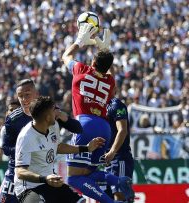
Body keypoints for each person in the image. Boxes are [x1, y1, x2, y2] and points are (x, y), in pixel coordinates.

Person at [62, 24, 134, 202]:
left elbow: (65, 56)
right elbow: (111, 76)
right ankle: (118, 180)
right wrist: (106, 51)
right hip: (104, 128)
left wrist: (80, 41)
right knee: (90, 173)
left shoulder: (80, 70)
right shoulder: (110, 81)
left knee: (72, 177)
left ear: (93, 63)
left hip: (84, 125)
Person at [0, 79, 83, 203]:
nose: (24, 99)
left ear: (36, 93)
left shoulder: (50, 111)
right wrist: (31, 150)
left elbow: (78, 129)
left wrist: (63, 116)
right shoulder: (13, 119)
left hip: (45, 172)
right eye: (20, 96)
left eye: (27, 94)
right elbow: (6, 147)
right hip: (18, 173)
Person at [14, 96, 106, 203]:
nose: (57, 112)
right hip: (29, 188)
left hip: (50, 182)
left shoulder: (53, 125)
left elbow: (58, 147)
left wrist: (87, 148)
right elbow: (20, 172)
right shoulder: (26, 137)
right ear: (48, 117)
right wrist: (45, 178)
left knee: (81, 201)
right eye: (54, 110)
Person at [104, 98, 134, 201]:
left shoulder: (116, 104)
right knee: (106, 197)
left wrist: (112, 151)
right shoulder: (98, 105)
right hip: (106, 159)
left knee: (119, 194)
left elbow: (122, 130)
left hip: (119, 156)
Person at [0, 100, 21, 164]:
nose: (13, 112)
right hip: (14, 164)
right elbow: (1, 146)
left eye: (16, 110)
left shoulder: (29, 125)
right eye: (11, 110)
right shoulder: (5, 129)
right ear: (6, 113)